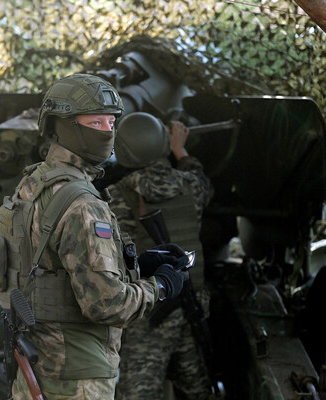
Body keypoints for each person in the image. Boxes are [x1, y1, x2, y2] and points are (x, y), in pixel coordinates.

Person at [0, 74, 187, 400]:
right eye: (95, 122)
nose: (107, 131)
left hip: (35, 368)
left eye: (111, 122)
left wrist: (136, 267)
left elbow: (53, 268)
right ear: (63, 125)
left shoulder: (33, 183)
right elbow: (108, 305)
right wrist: (161, 286)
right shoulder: (83, 204)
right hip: (77, 379)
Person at [107, 112, 214, 400]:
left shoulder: (115, 197)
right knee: (197, 390)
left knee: (138, 393)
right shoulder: (192, 186)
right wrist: (180, 151)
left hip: (148, 311)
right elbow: (204, 181)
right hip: (191, 308)